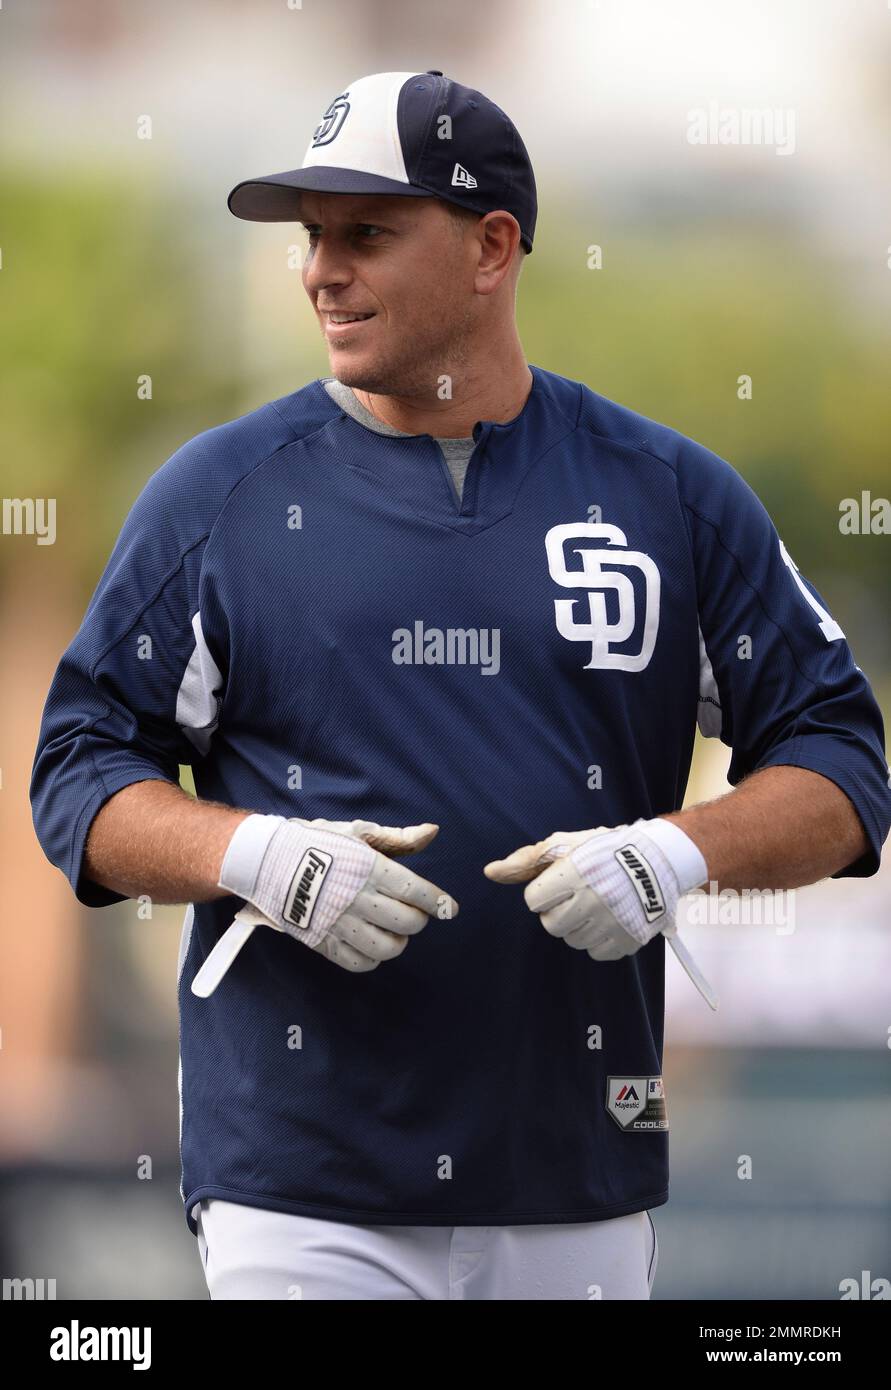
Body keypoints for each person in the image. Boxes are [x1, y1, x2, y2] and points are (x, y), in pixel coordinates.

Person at [30, 70, 890, 1301]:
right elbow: (77, 771)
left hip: (576, 1173)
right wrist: (255, 856)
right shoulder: (219, 496)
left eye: (366, 231)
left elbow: (846, 769)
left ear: (492, 247)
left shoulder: (670, 496)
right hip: (300, 1184)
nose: (321, 268)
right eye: (310, 235)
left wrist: (672, 853)